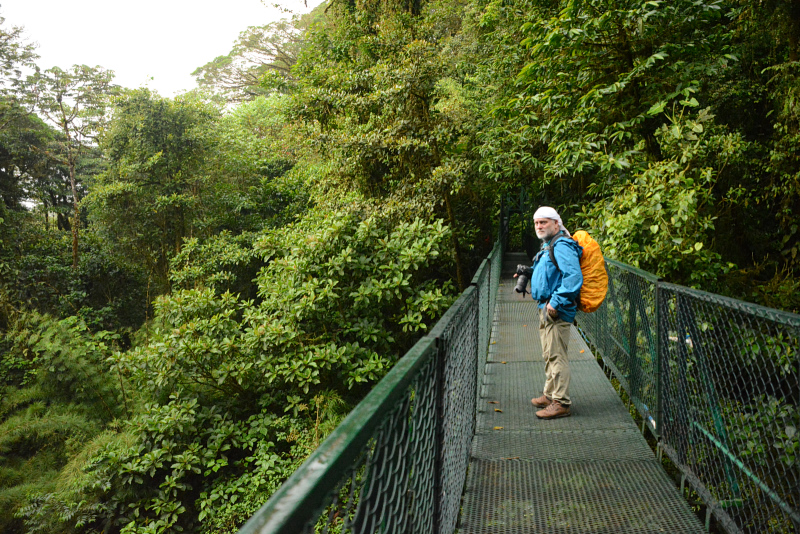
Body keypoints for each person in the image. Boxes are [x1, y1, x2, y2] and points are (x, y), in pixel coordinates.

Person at [525, 206, 583, 419]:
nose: (539, 226)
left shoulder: (562, 245)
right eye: (536, 223)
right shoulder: (548, 245)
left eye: (544, 222)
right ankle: (550, 395)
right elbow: (551, 272)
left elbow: (573, 277)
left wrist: (556, 302)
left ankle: (561, 402)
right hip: (547, 307)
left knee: (557, 355)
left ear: (556, 223)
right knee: (549, 353)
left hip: (556, 310)